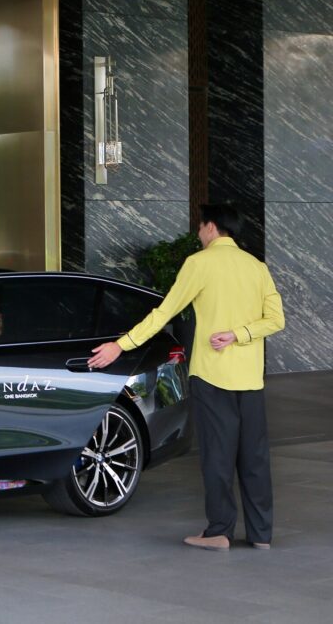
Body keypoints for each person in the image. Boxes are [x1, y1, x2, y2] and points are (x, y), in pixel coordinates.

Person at [88, 204, 284, 551]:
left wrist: (121, 345)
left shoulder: (199, 263)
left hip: (212, 376)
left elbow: (164, 312)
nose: (198, 234)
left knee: (217, 456)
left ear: (211, 227)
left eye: (200, 227)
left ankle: (220, 531)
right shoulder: (257, 267)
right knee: (254, 458)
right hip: (251, 379)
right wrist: (239, 334)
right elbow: (276, 320)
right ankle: (261, 535)